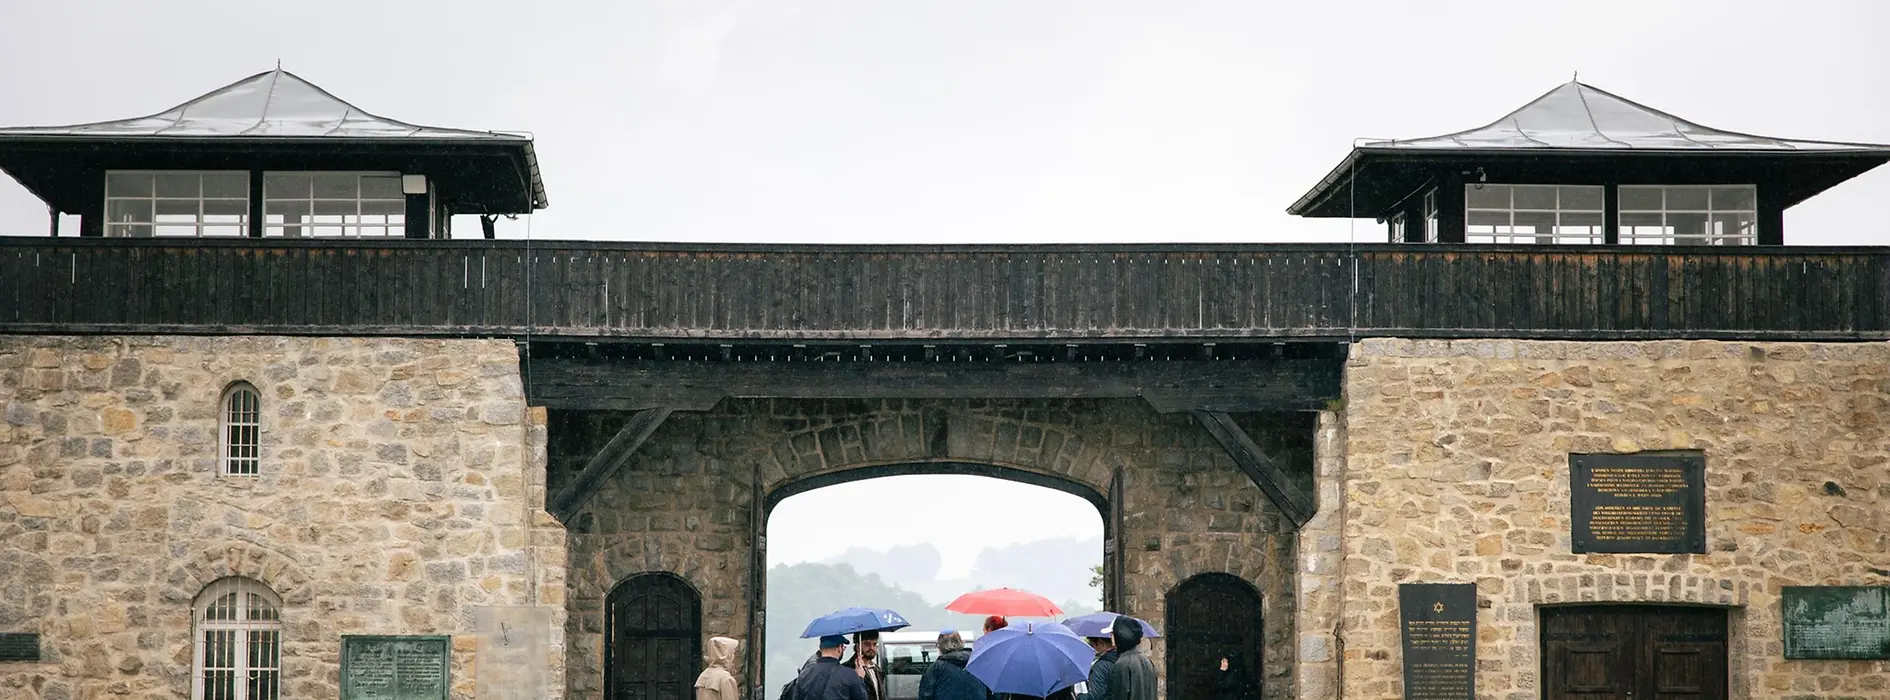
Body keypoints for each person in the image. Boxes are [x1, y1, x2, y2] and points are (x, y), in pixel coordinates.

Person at [786, 635, 869, 700]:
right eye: (843, 647)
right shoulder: (850, 675)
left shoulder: (804, 674)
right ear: (840, 648)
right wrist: (860, 678)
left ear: (820, 648)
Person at [918, 630, 989, 700]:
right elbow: (992, 693)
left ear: (940, 646)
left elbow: (925, 695)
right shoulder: (979, 664)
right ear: (961, 643)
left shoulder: (936, 669)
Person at [1105, 616, 1155, 700]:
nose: (1110, 637)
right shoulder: (1147, 661)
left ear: (1120, 635)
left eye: (1113, 633)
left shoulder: (1122, 664)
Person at [843, 630, 885, 700]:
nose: (872, 648)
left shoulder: (877, 669)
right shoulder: (846, 669)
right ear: (857, 646)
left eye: (874, 644)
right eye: (867, 644)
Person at [1076, 632, 1117, 700]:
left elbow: (1095, 696)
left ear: (1101, 643)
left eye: (1092, 645)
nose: (1092, 649)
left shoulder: (1101, 666)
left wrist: (1079, 697)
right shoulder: (1123, 658)